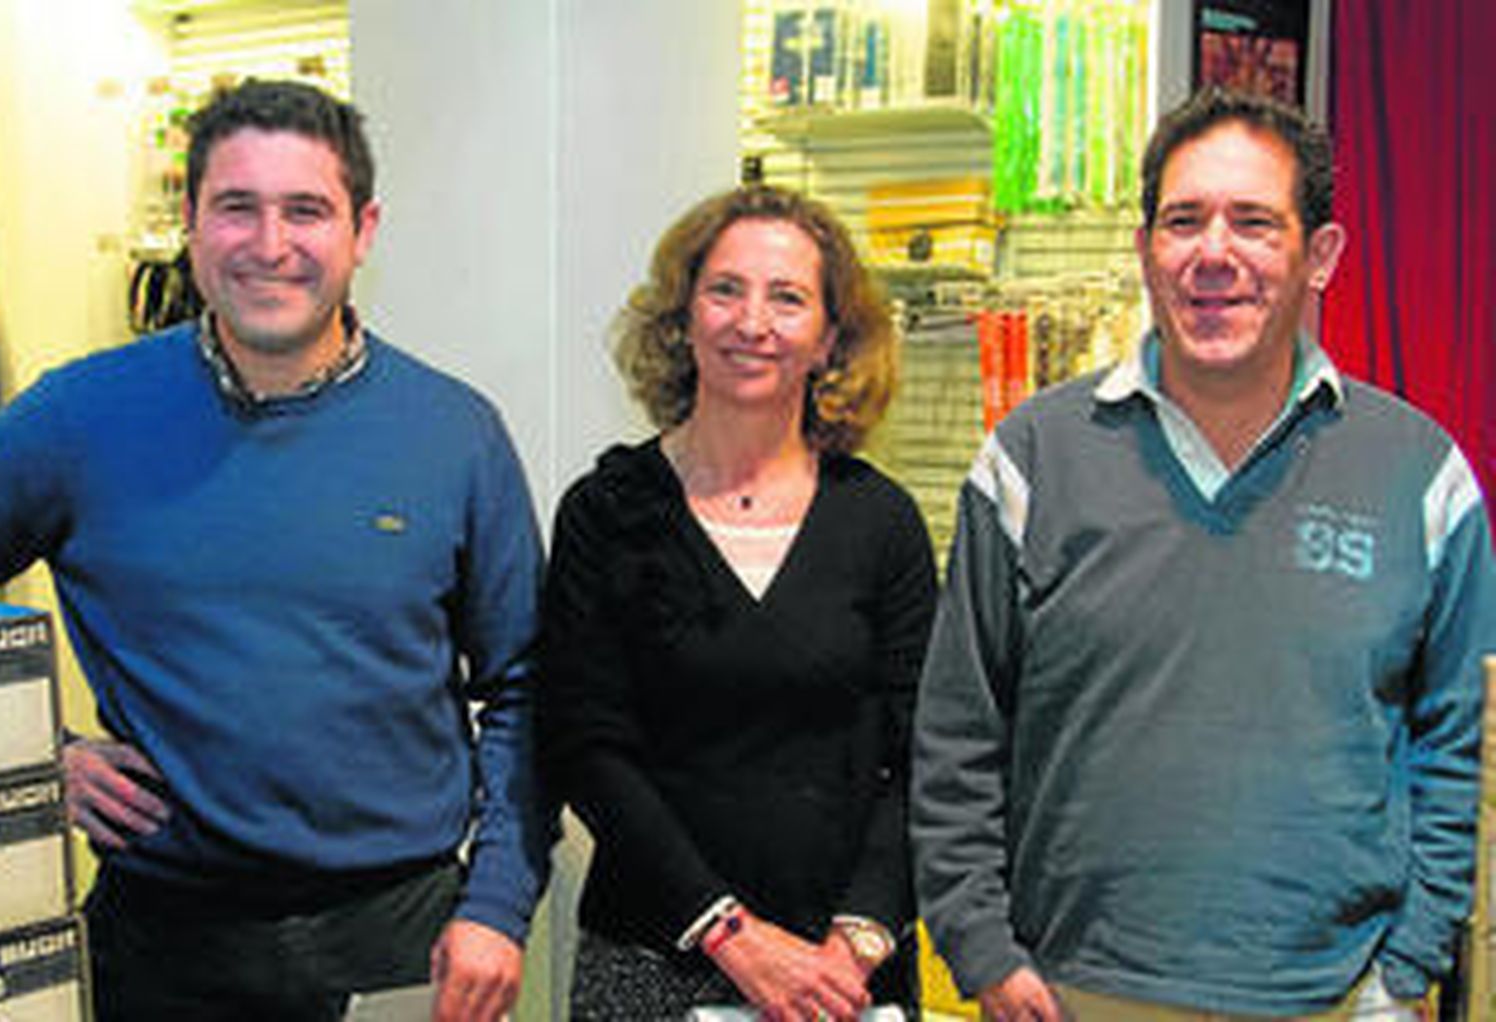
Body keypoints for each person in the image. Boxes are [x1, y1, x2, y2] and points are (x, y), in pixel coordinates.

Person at [0, 79, 554, 1022]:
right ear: (193, 226)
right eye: (236, 208)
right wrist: (36, 754)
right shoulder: (81, 416)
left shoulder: (455, 433)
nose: (271, 244)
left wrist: (495, 907)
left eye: (307, 210)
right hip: (163, 947)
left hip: (402, 940)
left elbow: (525, 685)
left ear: (362, 229)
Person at [912, 87, 1496, 1021]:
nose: (1214, 254)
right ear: (1146, 249)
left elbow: (1456, 745)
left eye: (1256, 223)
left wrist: (1409, 964)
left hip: (1339, 998)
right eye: (1184, 221)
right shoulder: (1030, 459)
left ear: (1323, 255)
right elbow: (957, 730)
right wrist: (980, 948)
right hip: (1074, 993)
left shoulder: (1422, 477)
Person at [541, 183, 937, 1021]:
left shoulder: (883, 522)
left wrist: (856, 942)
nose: (751, 321)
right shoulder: (607, 512)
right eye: (725, 289)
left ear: (831, 338)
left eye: (787, 298)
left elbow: (925, 753)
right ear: (683, 317)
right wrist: (730, 934)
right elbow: (585, 744)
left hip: (846, 981)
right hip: (657, 961)